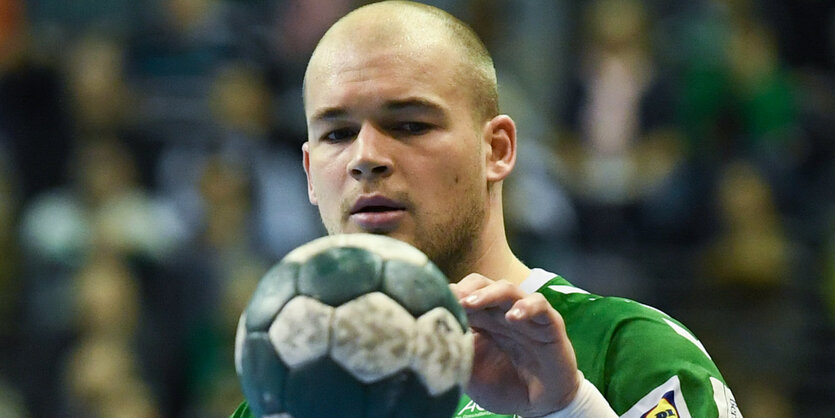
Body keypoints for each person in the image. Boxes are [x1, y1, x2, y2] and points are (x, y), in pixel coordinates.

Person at [233, 1, 742, 417]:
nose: (365, 158)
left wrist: (572, 409)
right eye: (337, 134)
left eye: (410, 125)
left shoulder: (628, 352)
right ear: (309, 174)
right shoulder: (279, 396)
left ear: (496, 149)